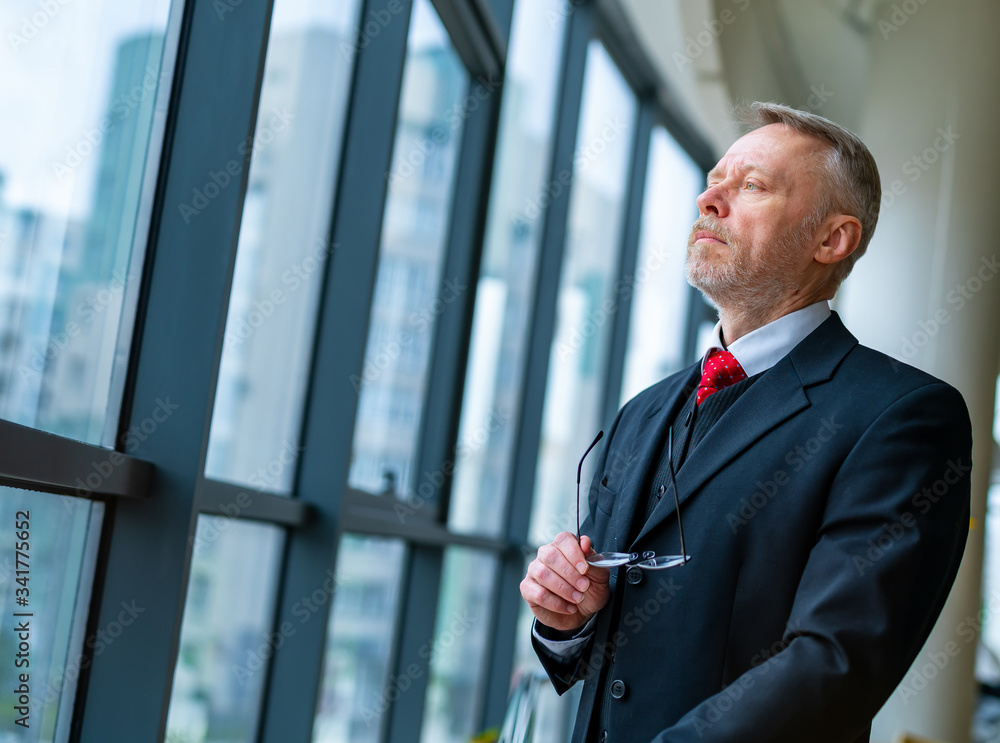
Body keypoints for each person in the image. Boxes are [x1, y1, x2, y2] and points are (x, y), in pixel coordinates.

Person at [519, 102, 973, 743]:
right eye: (713, 181)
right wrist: (565, 619)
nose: (710, 200)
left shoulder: (902, 416)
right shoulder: (643, 410)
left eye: (752, 186)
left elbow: (834, 664)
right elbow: (611, 648)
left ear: (831, 239)